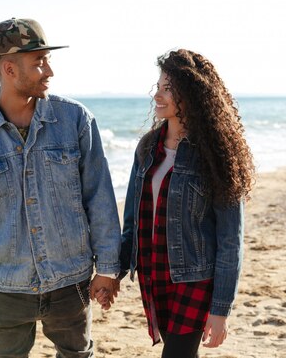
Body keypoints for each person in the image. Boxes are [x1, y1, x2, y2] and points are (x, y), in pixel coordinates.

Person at [0, 17, 121, 358]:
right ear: (9, 69)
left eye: (48, 60)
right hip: (4, 288)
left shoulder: (76, 120)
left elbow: (99, 197)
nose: (49, 71)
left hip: (71, 280)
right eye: (39, 62)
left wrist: (109, 268)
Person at [97, 49, 254, 358]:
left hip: (194, 276)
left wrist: (220, 309)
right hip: (153, 273)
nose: (158, 94)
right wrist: (113, 273)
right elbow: (132, 223)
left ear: (191, 94)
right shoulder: (146, 148)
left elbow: (230, 240)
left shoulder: (216, 155)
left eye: (168, 88)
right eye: (158, 85)